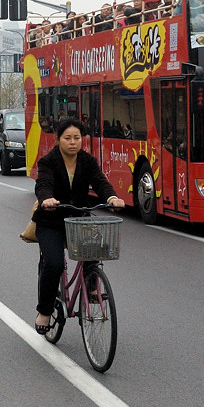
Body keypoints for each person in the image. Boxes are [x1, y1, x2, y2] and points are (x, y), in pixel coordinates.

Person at [32, 118, 125, 334]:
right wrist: (47, 199)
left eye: (77, 138)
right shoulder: (49, 161)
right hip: (51, 220)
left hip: (78, 219)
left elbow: (101, 182)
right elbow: (43, 183)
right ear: (57, 139)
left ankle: (91, 283)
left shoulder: (87, 161)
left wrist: (111, 197)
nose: (73, 142)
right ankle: (44, 312)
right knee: (53, 265)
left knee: (97, 244)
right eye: (67, 138)